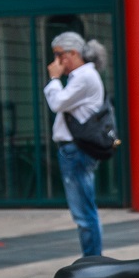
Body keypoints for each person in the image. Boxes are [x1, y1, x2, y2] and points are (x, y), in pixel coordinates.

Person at [44, 32, 107, 257]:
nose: (56, 61)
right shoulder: (80, 77)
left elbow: (56, 102)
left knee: (83, 213)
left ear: (73, 53)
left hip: (76, 150)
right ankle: (92, 258)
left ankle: (93, 261)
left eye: (59, 55)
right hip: (74, 150)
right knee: (84, 210)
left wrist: (53, 79)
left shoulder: (84, 77)